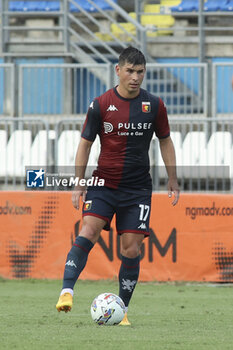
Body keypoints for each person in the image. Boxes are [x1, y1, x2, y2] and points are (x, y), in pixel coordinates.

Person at [56, 46, 180, 325]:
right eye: (130, 71)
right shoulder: (100, 104)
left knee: (131, 249)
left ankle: (121, 309)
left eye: (140, 72)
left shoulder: (155, 105)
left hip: (137, 189)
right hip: (103, 182)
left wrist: (172, 178)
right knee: (88, 230)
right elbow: (85, 144)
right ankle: (66, 291)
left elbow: (165, 140)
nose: (135, 77)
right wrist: (78, 183)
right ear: (118, 70)